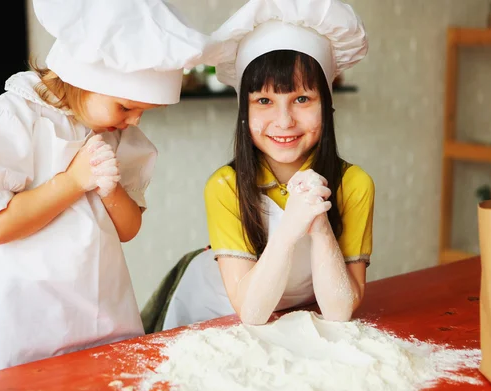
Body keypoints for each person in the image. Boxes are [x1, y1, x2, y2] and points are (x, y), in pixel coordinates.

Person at [0, 0, 208, 379]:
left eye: (143, 111)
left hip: (102, 315)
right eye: (126, 107)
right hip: (24, 325)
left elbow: (128, 229)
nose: (134, 121)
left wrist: (110, 191)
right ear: (86, 80)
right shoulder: (14, 121)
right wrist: (72, 182)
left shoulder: (120, 135)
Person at [141, 0, 373, 332]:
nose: (284, 121)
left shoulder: (354, 184)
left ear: (327, 104)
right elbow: (251, 311)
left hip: (298, 317)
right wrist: (291, 225)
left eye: (302, 99)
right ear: (244, 112)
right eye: (264, 101)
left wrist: (319, 225)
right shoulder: (226, 186)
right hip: (216, 311)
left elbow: (338, 310)